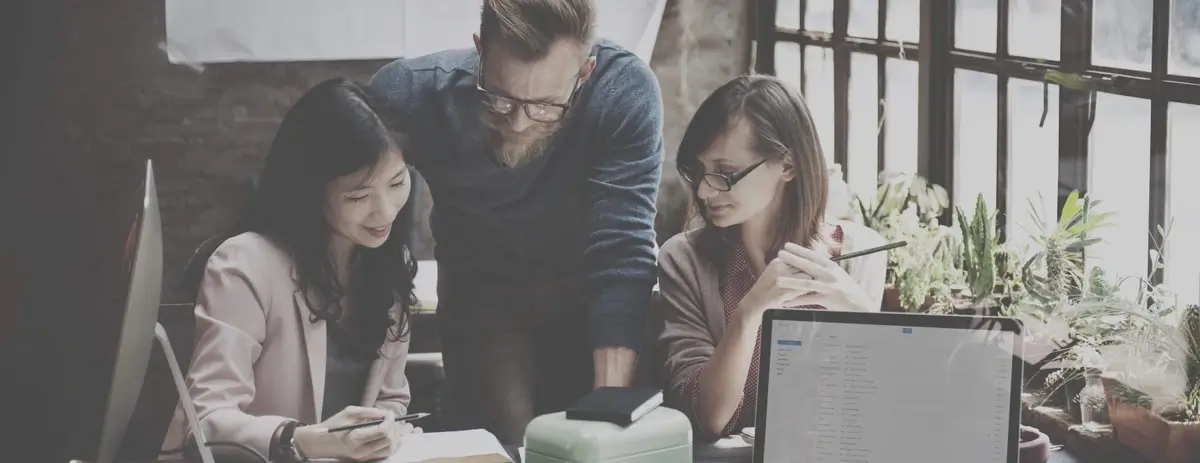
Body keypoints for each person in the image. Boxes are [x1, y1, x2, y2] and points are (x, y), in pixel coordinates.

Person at [368, 0, 662, 444]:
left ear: (584, 72)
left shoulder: (623, 92)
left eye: (545, 105)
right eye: (501, 98)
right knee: (504, 444)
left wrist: (610, 417)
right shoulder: (410, 93)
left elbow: (623, 249)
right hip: (480, 294)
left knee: (593, 440)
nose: (520, 123)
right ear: (480, 51)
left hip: (586, 293)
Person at [160, 78, 421, 462]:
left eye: (397, 182)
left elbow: (391, 399)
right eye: (359, 195)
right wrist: (302, 439)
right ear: (313, 189)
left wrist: (386, 428)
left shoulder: (384, 263)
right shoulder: (244, 266)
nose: (385, 212)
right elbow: (205, 420)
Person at [657, 75, 888, 441]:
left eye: (725, 173)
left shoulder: (858, 258)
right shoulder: (683, 259)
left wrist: (857, 309)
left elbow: (871, 406)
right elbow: (708, 417)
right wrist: (748, 313)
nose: (703, 190)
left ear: (788, 166)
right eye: (697, 171)